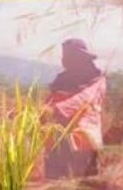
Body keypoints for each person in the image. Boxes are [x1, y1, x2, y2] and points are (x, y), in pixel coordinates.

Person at [43, 38, 106, 179]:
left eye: (69, 56)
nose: (64, 60)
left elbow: (84, 99)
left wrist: (56, 109)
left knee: (86, 189)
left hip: (83, 141)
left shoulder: (96, 79)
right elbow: (49, 102)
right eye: (64, 56)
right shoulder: (61, 80)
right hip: (56, 142)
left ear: (80, 57)